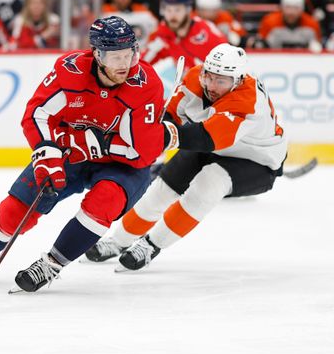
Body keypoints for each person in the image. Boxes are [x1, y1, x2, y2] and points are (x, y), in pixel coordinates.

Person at [0, 16, 167, 292]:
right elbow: (37, 114)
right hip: (70, 153)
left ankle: (52, 263)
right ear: (96, 54)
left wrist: (92, 144)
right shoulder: (70, 71)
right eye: (115, 56)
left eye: (129, 54)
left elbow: (142, 152)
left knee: (105, 201)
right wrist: (47, 155)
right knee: (18, 207)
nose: (124, 64)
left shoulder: (146, 84)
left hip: (121, 165)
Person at [85, 44, 287, 271]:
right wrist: (151, 136)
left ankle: (151, 245)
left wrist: (159, 137)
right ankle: (118, 241)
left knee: (209, 183)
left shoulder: (247, 100)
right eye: (209, 77)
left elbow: (207, 137)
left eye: (221, 81)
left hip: (257, 161)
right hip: (214, 146)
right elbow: (172, 117)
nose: (211, 86)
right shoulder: (195, 78)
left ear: (238, 81)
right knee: (162, 189)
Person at [141, 0, 227, 72]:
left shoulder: (206, 31)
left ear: (188, 10)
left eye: (177, 10)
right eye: (168, 10)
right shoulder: (161, 33)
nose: (172, 15)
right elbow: (142, 64)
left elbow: (227, 62)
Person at [255, 0, 323, 51]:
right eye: (288, 7)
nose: (291, 12)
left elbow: (318, 47)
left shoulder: (312, 24)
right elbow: (260, 46)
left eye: (296, 8)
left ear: (302, 9)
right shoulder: (269, 21)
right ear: (281, 7)